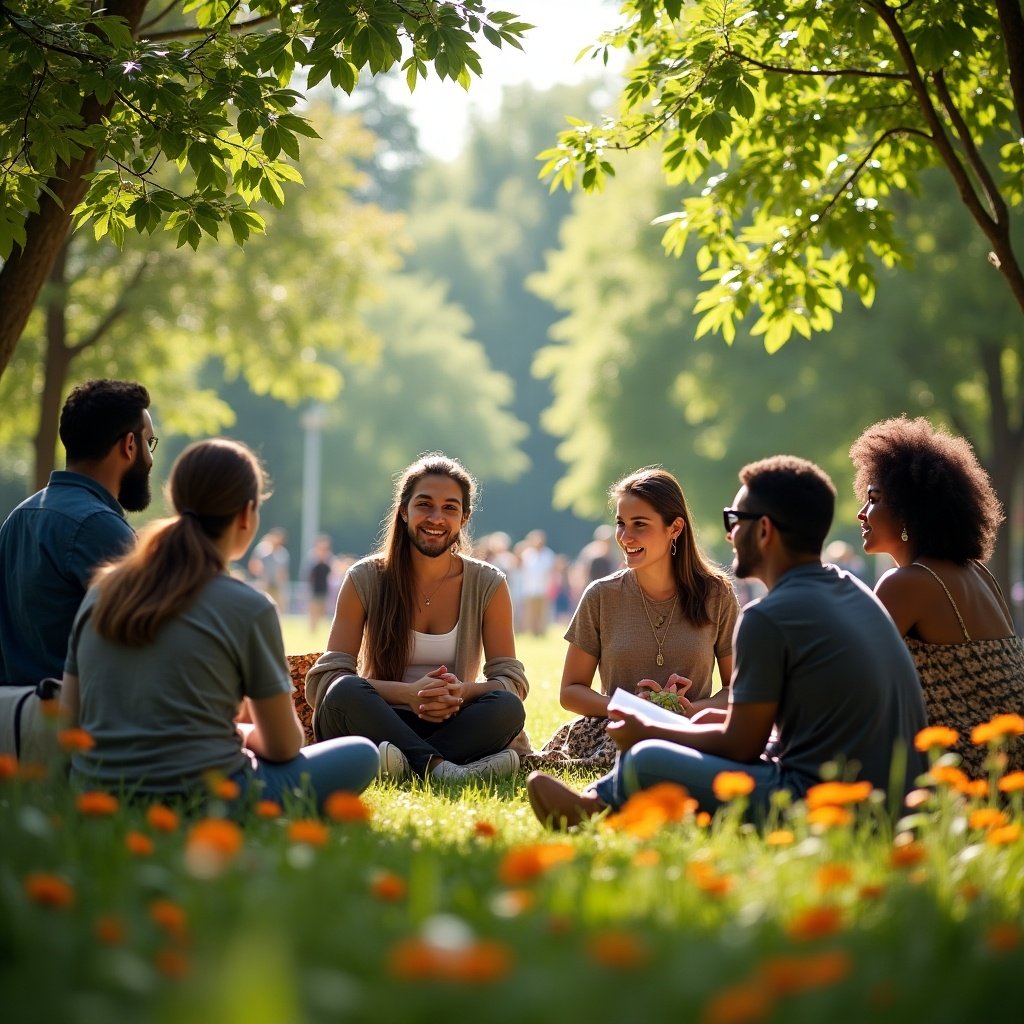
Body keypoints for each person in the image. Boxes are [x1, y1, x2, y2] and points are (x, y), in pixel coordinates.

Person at [527, 456, 928, 827]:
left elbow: (740, 745)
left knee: (649, 757)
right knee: (701, 723)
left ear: (765, 530)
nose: (729, 532)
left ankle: (594, 808)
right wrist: (696, 717)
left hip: (824, 801)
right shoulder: (851, 590)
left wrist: (652, 728)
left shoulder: (768, 616)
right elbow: (760, 723)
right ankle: (600, 798)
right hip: (892, 799)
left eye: (734, 519)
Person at [59, 439, 378, 807]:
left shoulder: (102, 591)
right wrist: (240, 734)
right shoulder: (249, 606)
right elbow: (284, 744)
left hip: (97, 791)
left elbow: (68, 719)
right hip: (211, 794)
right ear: (247, 514)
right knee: (361, 754)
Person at [305, 454, 528, 783]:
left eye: (450, 508)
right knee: (344, 691)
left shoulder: (488, 583)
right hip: (379, 717)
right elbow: (325, 682)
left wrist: (462, 692)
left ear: (464, 518)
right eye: (425, 504)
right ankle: (444, 770)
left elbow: (511, 680)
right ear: (403, 510)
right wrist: (409, 695)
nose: (436, 518)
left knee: (507, 707)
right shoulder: (364, 577)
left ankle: (404, 765)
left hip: (451, 719)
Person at [524, 467, 738, 773]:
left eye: (639, 524)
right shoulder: (601, 595)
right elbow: (571, 691)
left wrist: (689, 711)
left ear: (674, 528)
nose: (625, 537)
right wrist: (631, 708)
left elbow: (738, 690)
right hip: (617, 729)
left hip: (690, 729)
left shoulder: (717, 595)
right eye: (621, 524)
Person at [850, 416, 1024, 777]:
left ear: (910, 510)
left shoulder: (908, 583)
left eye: (874, 499)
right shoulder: (977, 572)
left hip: (968, 773)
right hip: (1008, 762)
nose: (861, 513)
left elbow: (850, 679)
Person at [0, 379, 154, 761]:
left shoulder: (19, 516)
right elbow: (148, 647)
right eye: (149, 443)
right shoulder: (98, 527)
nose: (150, 458)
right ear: (129, 445)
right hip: (77, 743)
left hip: (14, 731)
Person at [249, 527, 290, 611]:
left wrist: (283, 584)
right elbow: (253, 564)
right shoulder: (262, 550)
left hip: (277, 585)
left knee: (279, 608)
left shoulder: (283, 553)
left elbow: (284, 571)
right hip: (264, 583)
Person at [304, 534, 334, 632]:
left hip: (325, 588)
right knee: (313, 610)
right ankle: (312, 630)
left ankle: (320, 629)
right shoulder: (312, 558)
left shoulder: (329, 559)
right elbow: (307, 574)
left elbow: (333, 573)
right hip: (314, 588)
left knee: (323, 611)